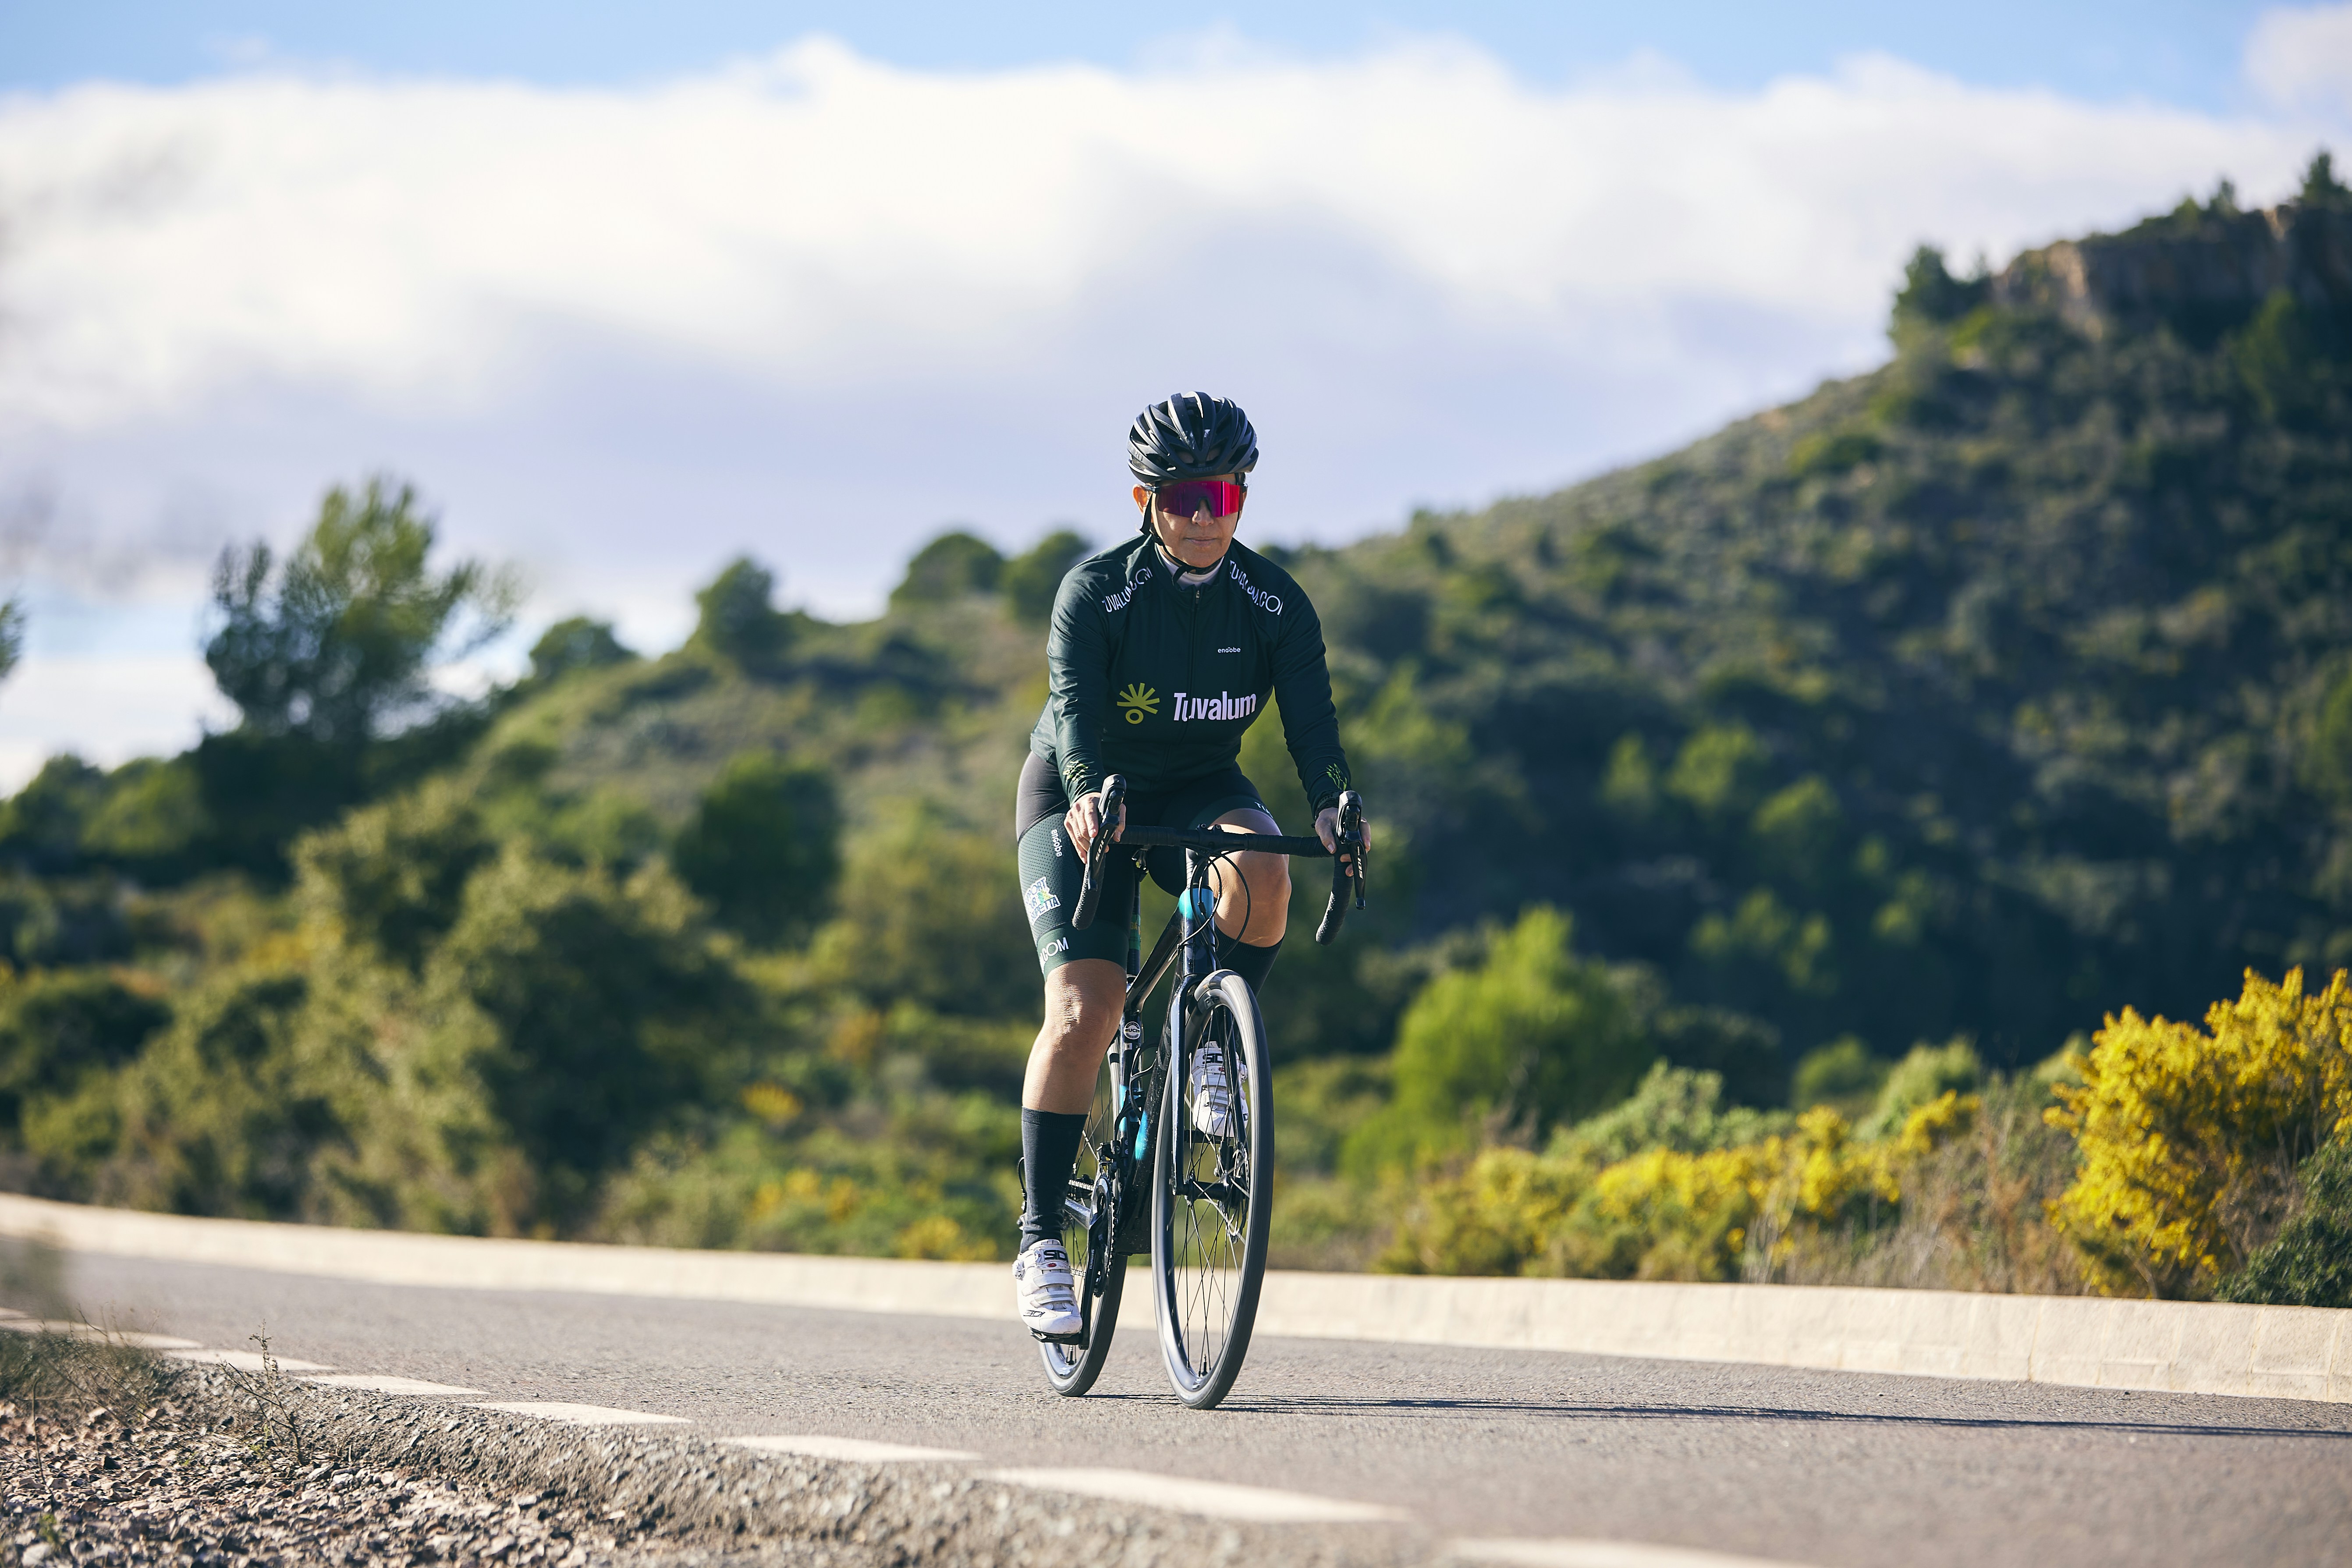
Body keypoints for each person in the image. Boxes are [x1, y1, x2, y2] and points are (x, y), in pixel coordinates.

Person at [1009, 391, 1366, 1338]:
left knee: (1265, 874)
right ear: (1145, 502)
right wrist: (1090, 793)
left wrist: (1333, 800)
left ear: (1242, 494)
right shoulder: (1096, 593)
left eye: (1220, 494)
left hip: (1199, 785)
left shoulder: (1274, 604)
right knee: (1085, 1011)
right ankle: (1042, 1235)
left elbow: (1312, 727)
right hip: (1080, 793)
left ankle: (1205, 1038)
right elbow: (1078, 715)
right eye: (1182, 497)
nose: (1203, 516)